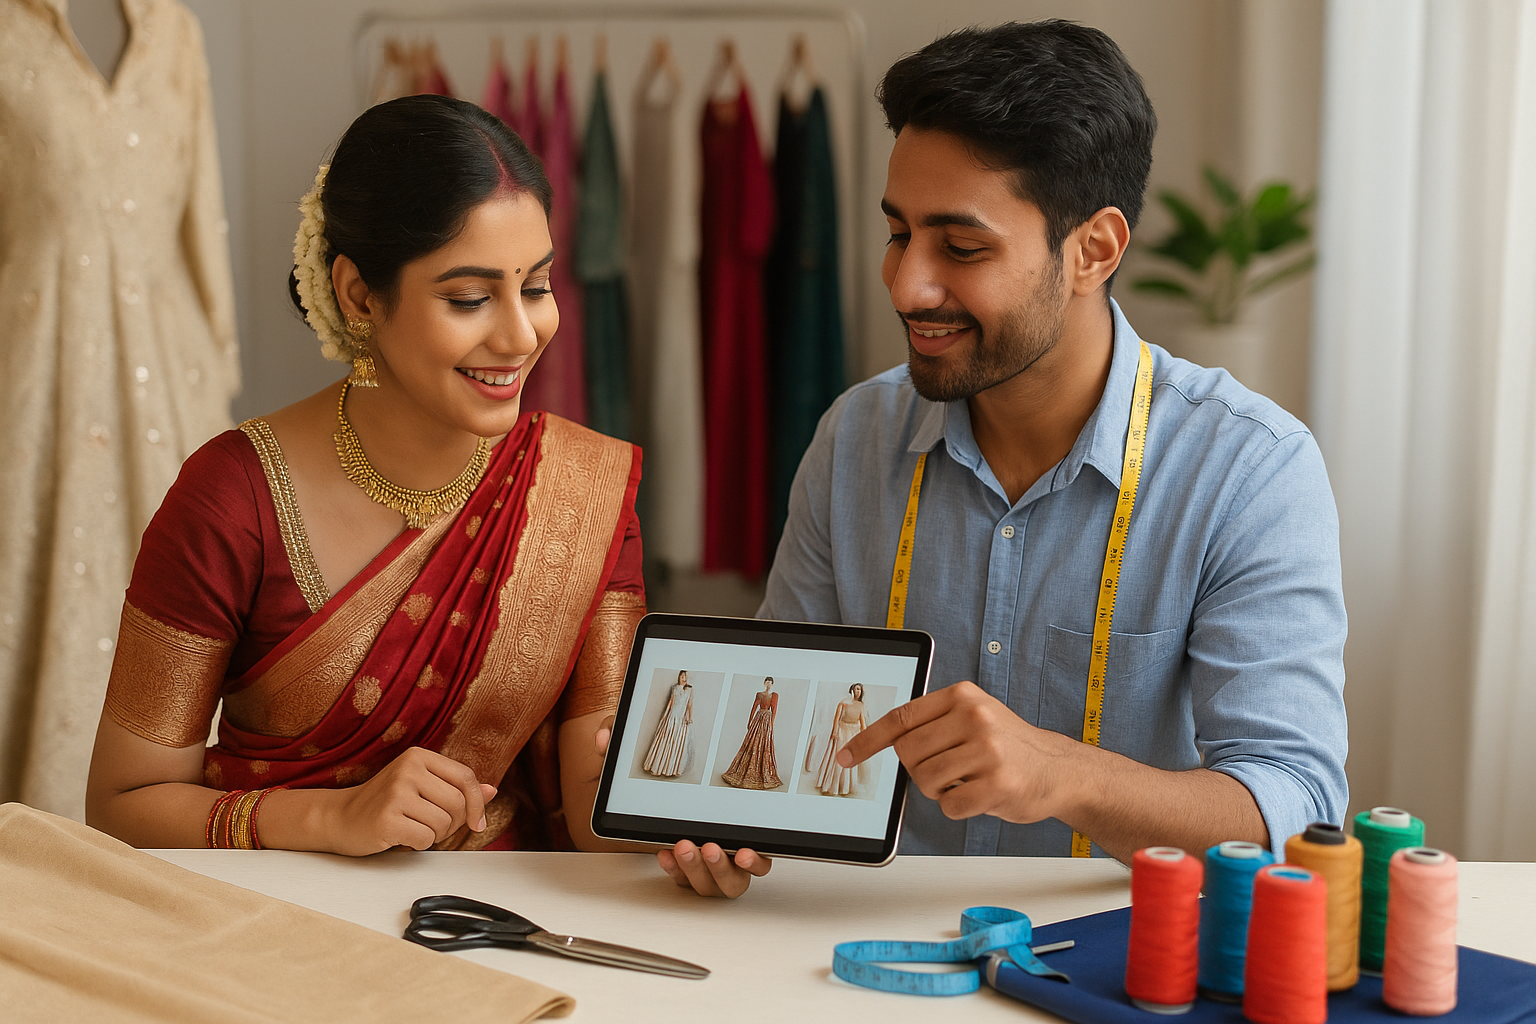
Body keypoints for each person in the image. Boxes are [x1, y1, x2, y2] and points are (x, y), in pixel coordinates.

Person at [672, 20, 1348, 896]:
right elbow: (788, 714)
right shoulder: (855, 440)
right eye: (897, 233)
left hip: (1110, 962)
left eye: (960, 248)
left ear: (1093, 250)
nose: (907, 284)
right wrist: (716, 818)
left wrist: (1065, 775)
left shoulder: (1249, 472)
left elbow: (1298, 807)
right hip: (857, 946)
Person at [84, 95, 653, 858]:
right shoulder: (231, 498)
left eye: (539, 287)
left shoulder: (582, 493)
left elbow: (601, 810)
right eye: (470, 298)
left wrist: (691, 841)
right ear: (358, 294)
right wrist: (331, 819)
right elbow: (122, 804)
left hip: (493, 931)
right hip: (276, 928)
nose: (521, 335)